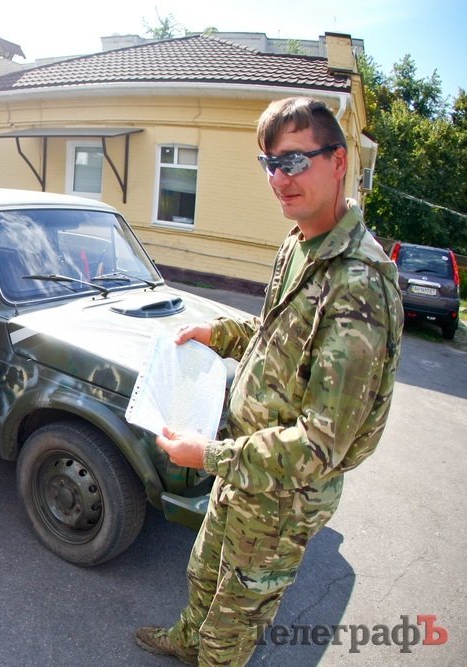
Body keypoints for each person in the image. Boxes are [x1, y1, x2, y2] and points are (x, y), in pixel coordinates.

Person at [134, 97, 403, 666]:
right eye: (270, 165)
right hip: (244, 469)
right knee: (203, 571)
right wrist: (220, 332)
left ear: (339, 160)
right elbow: (276, 335)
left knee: (233, 625)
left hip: (282, 499)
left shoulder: (359, 283)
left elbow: (319, 445)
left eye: (295, 161)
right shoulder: (300, 243)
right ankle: (186, 639)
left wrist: (207, 455)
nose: (280, 179)